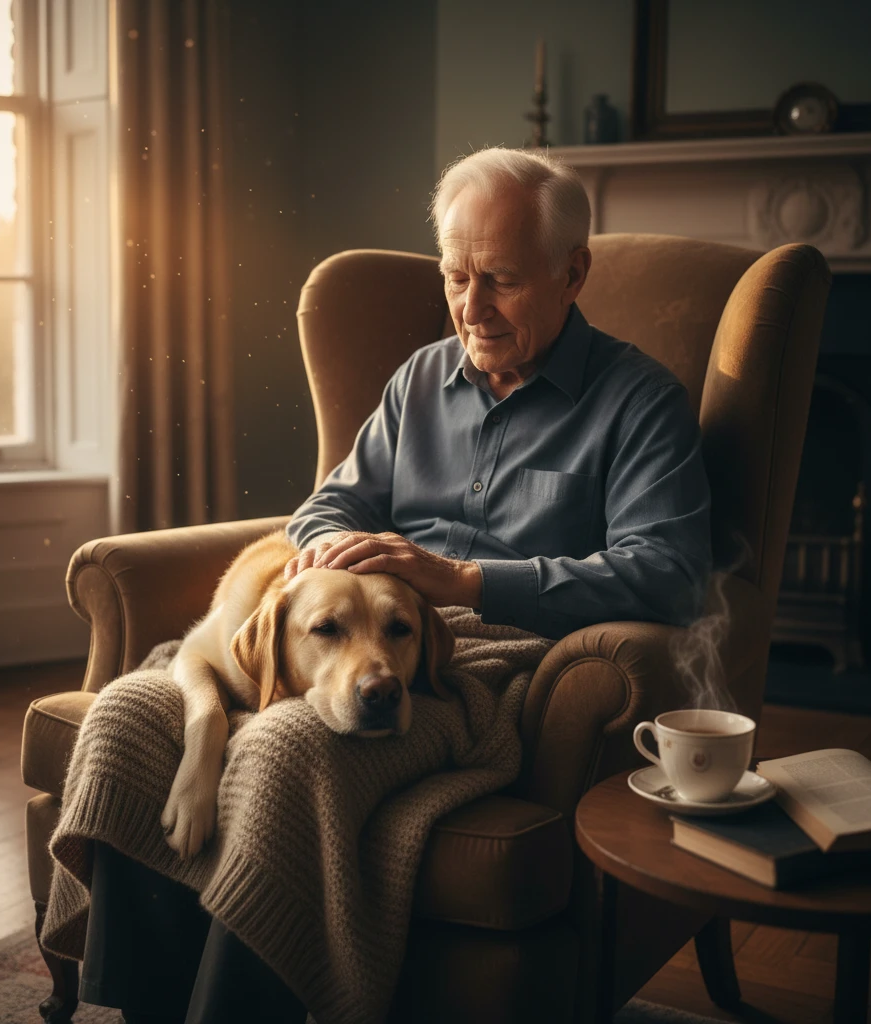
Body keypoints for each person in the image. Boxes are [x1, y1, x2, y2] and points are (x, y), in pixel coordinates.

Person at [78, 146, 711, 1023]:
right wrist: (331, 558)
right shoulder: (419, 382)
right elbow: (327, 505)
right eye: (456, 277)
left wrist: (461, 581)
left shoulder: (640, 403)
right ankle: (138, 1007)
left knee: (277, 747)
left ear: (573, 273)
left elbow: (668, 575)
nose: (472, 307)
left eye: (500, 280)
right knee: (127, 715)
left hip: (486, 669)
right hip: (362, 631)